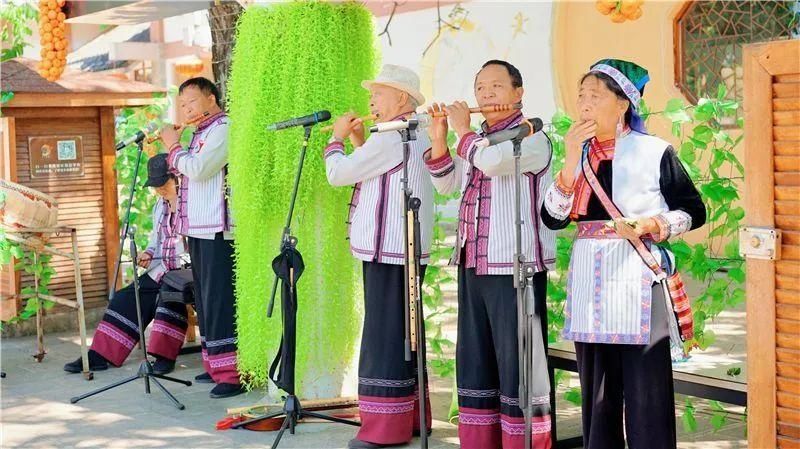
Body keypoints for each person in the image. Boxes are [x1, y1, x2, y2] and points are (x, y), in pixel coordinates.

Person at [541, 58, 706, 449]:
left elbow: (693, 210)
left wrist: (653, 225)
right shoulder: (576, 156)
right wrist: (568, 161)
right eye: (581, 95)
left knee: (646, 388)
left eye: (594, 96)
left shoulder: (654, 151)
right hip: (589, 285)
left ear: (623, 103)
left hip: (638, 280)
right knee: (597, 391)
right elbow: (552, 219)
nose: (583, 103)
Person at [425, 60, 554, 449]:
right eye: (480, 87)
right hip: (473, 262)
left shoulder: (531, 138)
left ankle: (525, 442)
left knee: (519, 362)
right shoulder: (475, 141)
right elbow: (447, 185)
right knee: (477, 358)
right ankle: (481, 442)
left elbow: (495, 163)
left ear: (519, 93)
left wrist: (463, 131)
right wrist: (439, 138)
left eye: (496, 87)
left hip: (515, 265)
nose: (485, 95)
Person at [323, 64, 434, 449]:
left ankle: (383, 430)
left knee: (385, 337)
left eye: (379, 94)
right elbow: (378, 175)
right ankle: (412, 419)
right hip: (400, 247)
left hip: (390, 248)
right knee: (404, 334)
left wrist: (336, 141)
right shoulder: (409, 134)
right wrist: (358, 142)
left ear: (401, 99)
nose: (371, 101)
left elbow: (340, 175)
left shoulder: (393, 136)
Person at [64, 154, 189, 376]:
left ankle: (163, 357)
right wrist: (149, 253)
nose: (159, 189)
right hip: (161, 269)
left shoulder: (190, 203)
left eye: (163, 184)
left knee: (168, 297)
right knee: (125, 297)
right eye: (155, 185)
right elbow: (156, 239)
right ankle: (101, 355)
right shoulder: (160, 206)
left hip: (185, 271)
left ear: (177, 177)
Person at [162, 77, 242, 398]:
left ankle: (232, 373)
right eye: (182, 104)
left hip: (218, 229)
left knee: (221, 299)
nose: (186, 109)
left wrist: (172, 145)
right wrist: (177, 144)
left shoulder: (224, 128)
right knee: (206, 300)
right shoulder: (198, 134)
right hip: (197, 227)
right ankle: (215, 365)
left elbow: (199, 169)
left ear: (211, 99)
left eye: (192, 102)